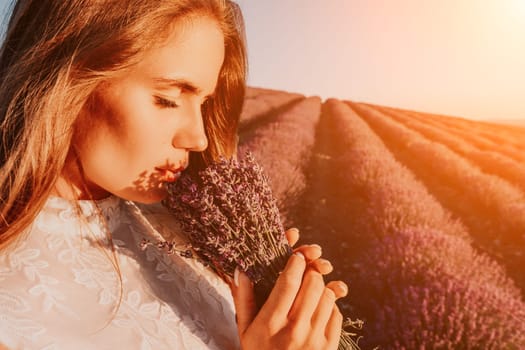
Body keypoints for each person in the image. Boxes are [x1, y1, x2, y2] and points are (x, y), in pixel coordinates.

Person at [0, 0, 348, 349]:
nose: (198, 138)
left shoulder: (189, 233)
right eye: (167, 99)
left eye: (205, 103)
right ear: (64, 78)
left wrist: (274, 305)